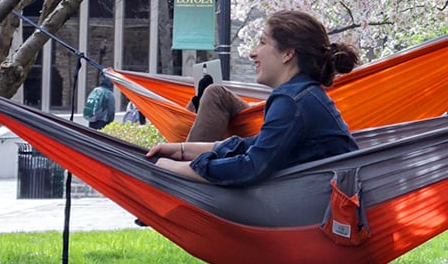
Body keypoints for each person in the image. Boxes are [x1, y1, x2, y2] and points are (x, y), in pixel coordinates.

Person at [146, 10, 359, 185]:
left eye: (262, 43)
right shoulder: (304, 94)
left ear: (288, 54)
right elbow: (252, 145)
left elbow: (251, 167)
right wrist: (183, 151)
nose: (252, 53)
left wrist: (177, 169)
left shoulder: (292, 100)